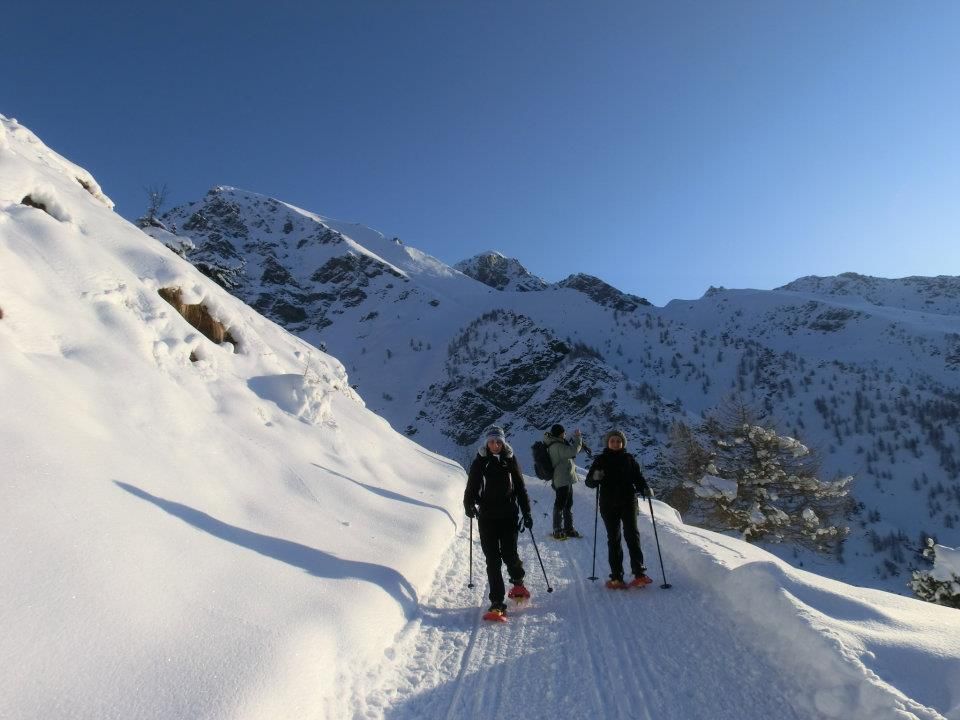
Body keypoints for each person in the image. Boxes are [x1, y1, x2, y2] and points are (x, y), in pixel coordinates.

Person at [463, 426, 534, 617]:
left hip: (508, 516)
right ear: (486, 442)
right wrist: (468, 504)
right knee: (492, 560)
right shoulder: (480, 462)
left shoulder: (510, 461)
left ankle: (518, 583)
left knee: (510, 554)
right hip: (486, 517)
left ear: (503, 443)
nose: (495, 444)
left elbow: (520, 488)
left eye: (498, 441)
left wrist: (526, 512)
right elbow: (472, 486)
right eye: (492, 441)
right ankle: (496, 601)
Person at [585, 429, 653, 589]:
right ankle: (617, 576)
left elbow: (638, 478)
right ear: (608, 443)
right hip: (608, 505)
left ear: (623, 443)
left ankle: (639, 573)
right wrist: (595, 478)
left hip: (628, 502)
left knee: (632, 535)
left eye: (618, 441)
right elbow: (589, 482)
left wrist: (645, 488)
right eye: (612, 441)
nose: (615, 443)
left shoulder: (629, 459)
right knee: (614, 539)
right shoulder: (600, 460)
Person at [543, 424, 584, 539]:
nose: (565, 434)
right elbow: (573, 451)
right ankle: (558, 529)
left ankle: (568, 528)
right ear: (560, 433)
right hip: (562, 479)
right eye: (563, 432)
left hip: (566, 478)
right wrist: (578, 438)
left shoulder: (557, 443)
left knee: (568, 503)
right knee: (560, 504)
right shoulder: (557, 445)